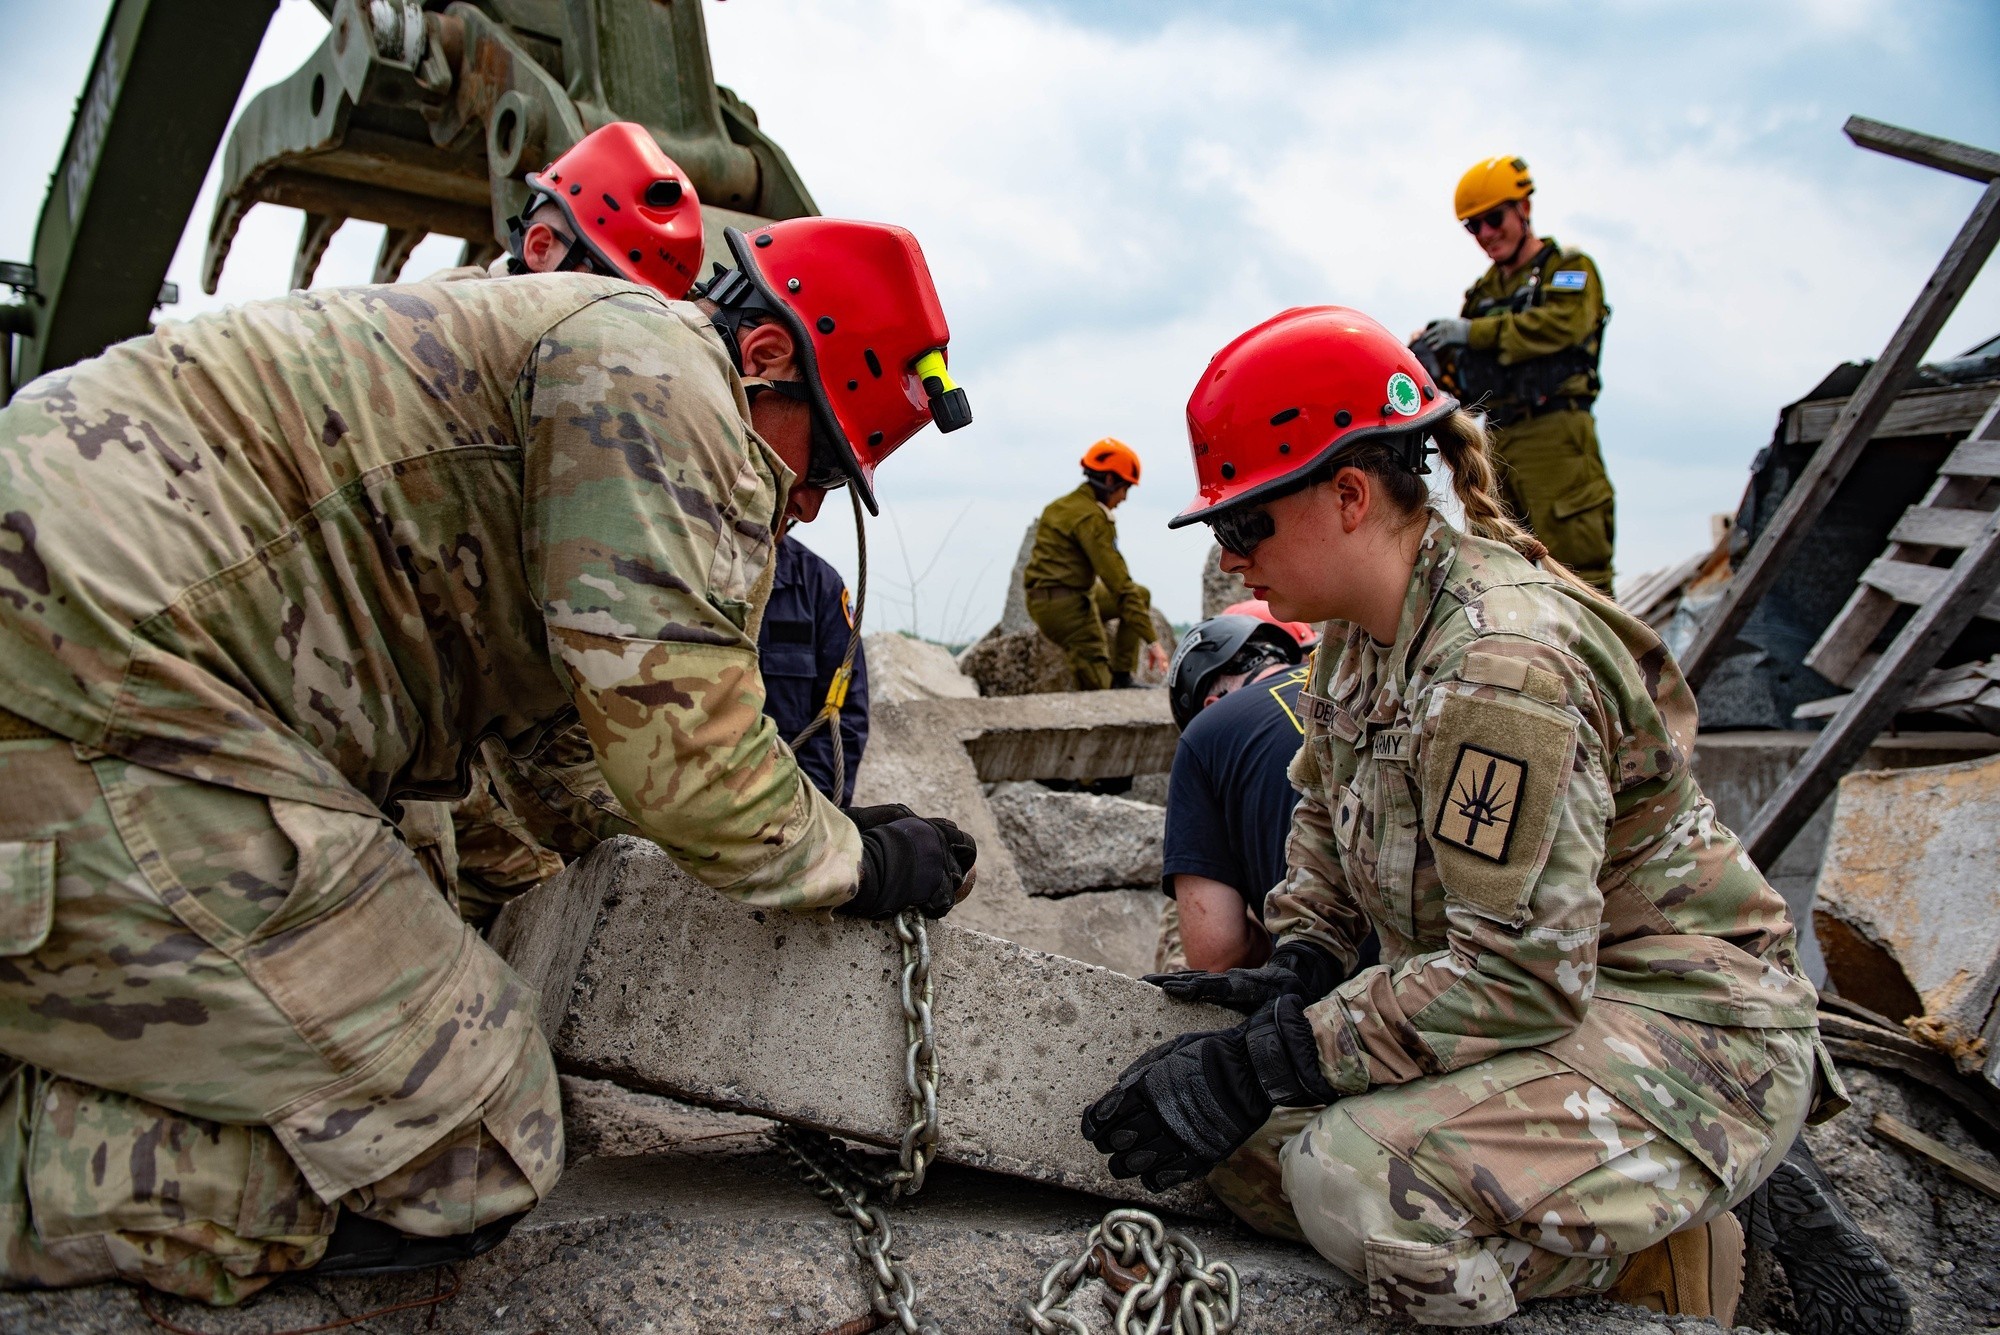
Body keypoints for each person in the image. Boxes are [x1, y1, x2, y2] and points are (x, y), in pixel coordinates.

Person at [0, 210, 978, 1302]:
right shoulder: (660, 376)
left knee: (434, 925)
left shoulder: (589, 358)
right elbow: (682, 752)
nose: (804, 506)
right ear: (762, 359)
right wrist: (849, 857)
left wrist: (753, 844)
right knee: (472, 1132)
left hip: (121, 643)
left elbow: (564, 766)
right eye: (825, 465)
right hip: (96, 665)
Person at [1081, 306, 1906, 1332]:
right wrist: (1300, 965)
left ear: (1346, 496)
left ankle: (1666, 1259)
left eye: (1243, 523)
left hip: (1677, 1027)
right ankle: (1581, 1212)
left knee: (1352, 1185)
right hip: (1535, 1012)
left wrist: (1279, 1057)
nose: (1231, 556)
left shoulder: (1496, 667)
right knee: (1233, 1156)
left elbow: (1520, 976)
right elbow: (1326, 847)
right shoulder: (1354, 644)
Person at [1413, 156, 1617, 594]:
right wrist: (1430, 361)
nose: (1486, 234)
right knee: (1503, 563)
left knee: (1579, 569)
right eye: (1473, 226)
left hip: (1557, 435)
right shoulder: (1484, 292)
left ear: (1523, 208)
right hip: (1499, 436)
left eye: (1493, 218)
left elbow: (1562, 326)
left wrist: (1473, 332)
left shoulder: (1568, 268)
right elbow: (1467, 373)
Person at [1151, 607, 1313, 973]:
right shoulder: (1356, 679)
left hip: (1347, 1000)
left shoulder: (1205, 736)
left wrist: (1266, 930)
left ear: (1209, 706)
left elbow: (1217, 956)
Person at [1023, 438, 1169, 689]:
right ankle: (1113, 684)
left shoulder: (1059, 507)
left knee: (1140, 595)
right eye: (1125, 488)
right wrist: (1153, 643)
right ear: (1110, 481)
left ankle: (1123, 675)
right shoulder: (1093, 518)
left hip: (1049, 601)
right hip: (1066, 609)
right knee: (1100, 689)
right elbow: (1120, 585)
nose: (1124, 498)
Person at [759, 533, 869, 802]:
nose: (807, 509)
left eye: (824, 488)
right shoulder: (684, 570)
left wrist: (801, 810)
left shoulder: (819, 586)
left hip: (788, 807)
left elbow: (845, 720)